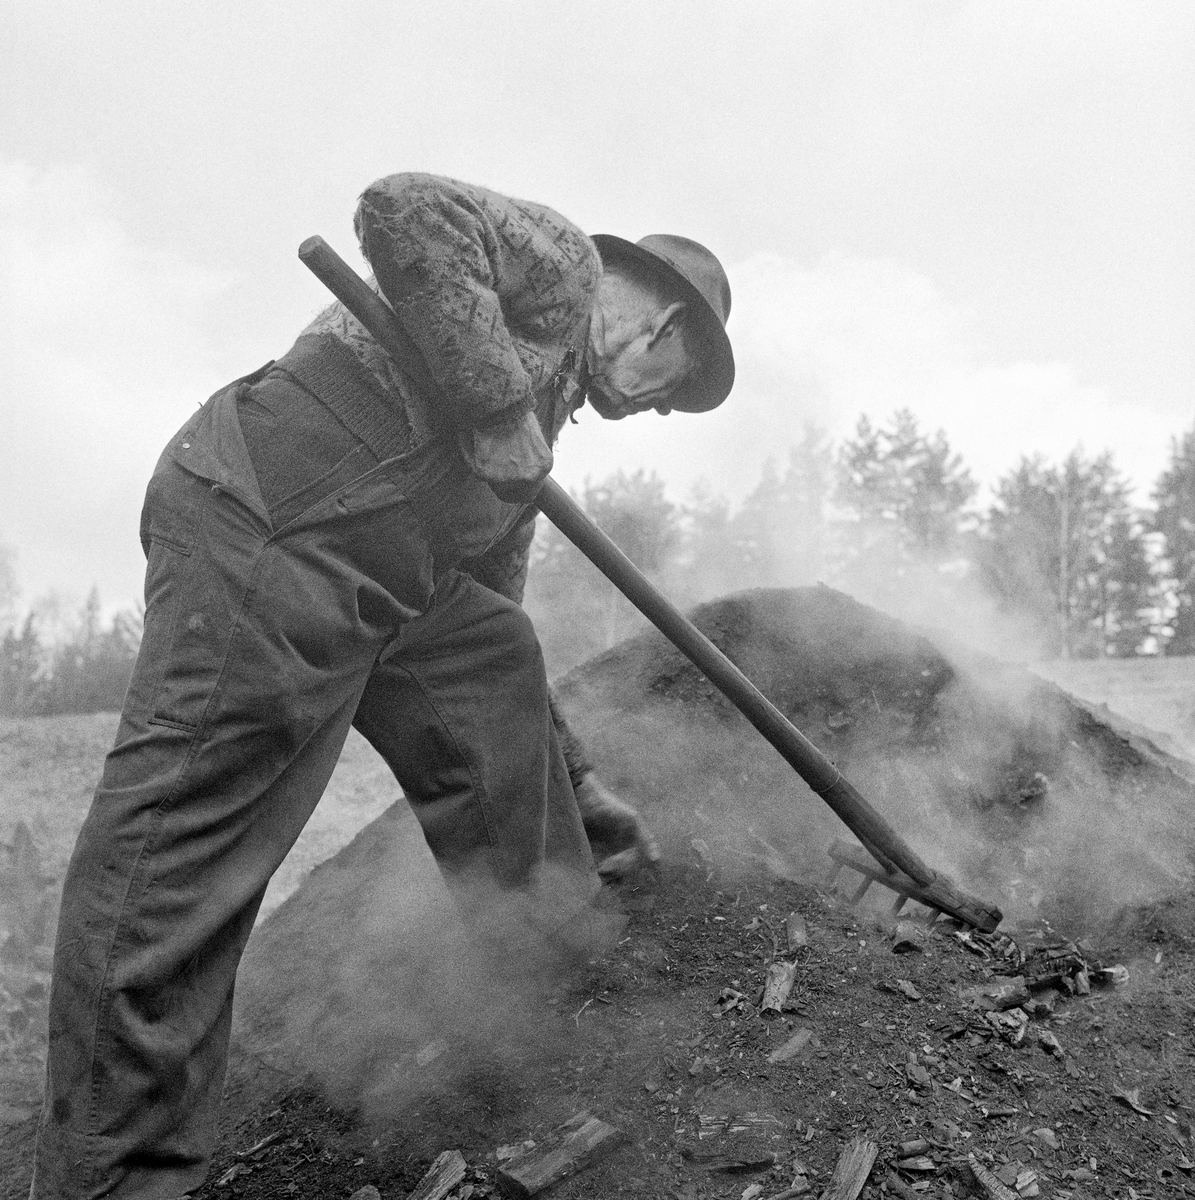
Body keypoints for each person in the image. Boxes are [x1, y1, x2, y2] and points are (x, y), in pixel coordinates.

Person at [32, 173, 734, 1200]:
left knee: (489, 654)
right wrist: (495, 405)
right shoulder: (563, 267)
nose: (662, 408)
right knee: (181, 848)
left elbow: (492, 611)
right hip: (269, 520)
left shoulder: (536, 436)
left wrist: (575, 783)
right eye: (677, 384)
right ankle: (116, 1175)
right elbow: (405, 208)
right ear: (663, 323)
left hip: (382, 582)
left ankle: (554, 954)